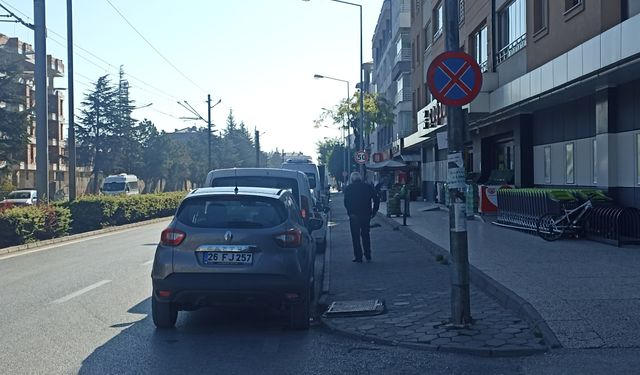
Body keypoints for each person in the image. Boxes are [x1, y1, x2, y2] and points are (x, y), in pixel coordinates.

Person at [344, 171, 380, 263]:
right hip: (366, 214)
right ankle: (368, 254)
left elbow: (346, 202)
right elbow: (376, 199)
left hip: (354, 215)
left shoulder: (349, 188)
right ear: (360, 178)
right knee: (365, 235)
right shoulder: (367, 187)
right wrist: (374, 211)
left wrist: (350, 212)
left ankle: (358, 256)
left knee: (355, 237)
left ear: (352, 179)